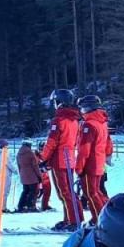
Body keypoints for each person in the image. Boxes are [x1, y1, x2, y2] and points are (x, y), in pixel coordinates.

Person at [40, 89, 84, 231]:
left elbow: (52, 141)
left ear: (58, 102)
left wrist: (43, 158)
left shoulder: (59, 120)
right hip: (70, 157)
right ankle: (71, 218)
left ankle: (73, 220)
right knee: (68, 191)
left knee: (64, 192)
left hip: (60, 158)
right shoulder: (74, 120)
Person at [76, 95, 114, 225]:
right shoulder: (102, 123)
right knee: (97, 192)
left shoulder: (89, 125)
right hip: (99, 163)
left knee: (91, 193)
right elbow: (109, 142)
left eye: (82, 108)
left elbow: (84, 149)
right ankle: (107, 214)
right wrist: (107, 156)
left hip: (90, 165)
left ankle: (98, 218)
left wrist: (79, 168)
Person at [17, 141, 41, 212]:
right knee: (33, 191)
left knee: (25, 191)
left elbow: (19, 166)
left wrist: (21, 174)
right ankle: (30, 206)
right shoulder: (30, 153)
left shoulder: (19, 154)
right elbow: (35, 166)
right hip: (32, 176)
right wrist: (39, 176)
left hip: (23, 175)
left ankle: (21, 205)